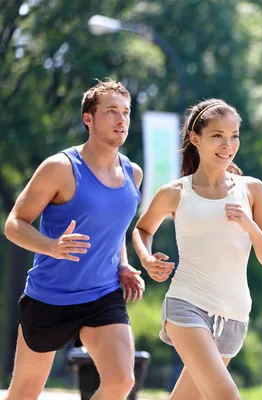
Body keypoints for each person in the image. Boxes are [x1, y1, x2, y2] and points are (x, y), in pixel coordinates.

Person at [3, 78, 145, 400]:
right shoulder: (60, 168)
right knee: (24, 392)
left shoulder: (132, 173)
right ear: (89, 119)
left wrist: (122, 265)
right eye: (111, 111)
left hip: (102, 294)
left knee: (122, 380)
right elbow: (14, 224)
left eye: (126, 112)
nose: (121, 120)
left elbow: (114, 230)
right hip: (50, 296)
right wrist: (52, 247)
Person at [132, 98, 262, 399]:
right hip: (187, 304)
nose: (228, 144)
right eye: (217, 136)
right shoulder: (175, 192)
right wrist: (146, 259)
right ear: (195, 138)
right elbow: (142, 228)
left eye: (234, 136)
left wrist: (249, 225)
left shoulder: (252, 189)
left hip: (235, 314)